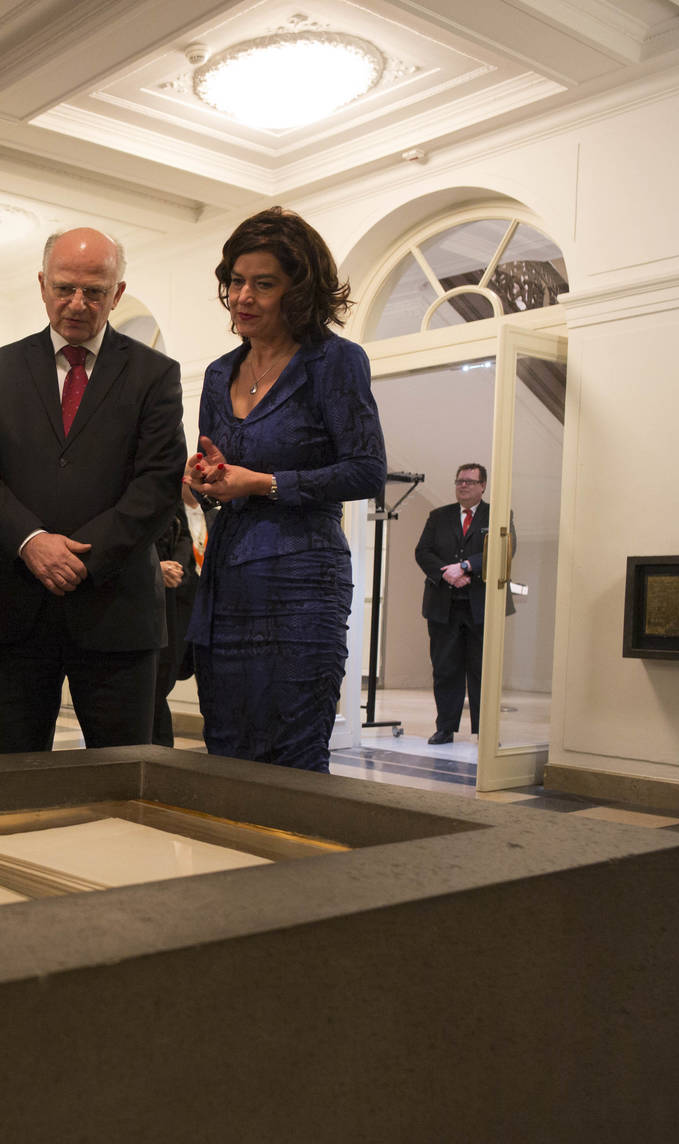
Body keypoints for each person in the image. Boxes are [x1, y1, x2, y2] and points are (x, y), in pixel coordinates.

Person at [0, 228, 184, 753]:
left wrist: (80, 557)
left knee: (122, 775)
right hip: (15, 607)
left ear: (117, 294)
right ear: (42, 285)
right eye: (64, 288)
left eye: (94, 291)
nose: (77, 303)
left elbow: (157, 483)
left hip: (115, 609)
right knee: (15, 776)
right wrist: (31, 541)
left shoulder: (154, 374)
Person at [184, 207, 387, 772]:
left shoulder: (334, 361)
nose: (242, 297)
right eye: (236, 282)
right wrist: (206, 480)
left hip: (303, 581)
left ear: (298, 291)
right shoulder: (219, 373)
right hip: (226, 581)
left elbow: (367, 470)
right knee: (226, 746)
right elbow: (218, 480)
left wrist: (264, 483)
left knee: (294, 753)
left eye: (263, 284)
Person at [415, 462, 505, 744]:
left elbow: (503, 549)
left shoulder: (498, 515)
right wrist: (448, 574)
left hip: (481, 606)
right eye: (459, 481)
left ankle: (483, 730)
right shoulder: (438, 516)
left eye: (469, 481)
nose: (463, 486)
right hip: (444, 606)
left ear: (483, 486)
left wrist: (465, 566)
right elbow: (423, 552)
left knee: (481, 670)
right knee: (445, 668)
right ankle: (445, 727)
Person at [152, 501, 198, 747]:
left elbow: (183, 535)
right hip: (134, 595)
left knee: (162, 682)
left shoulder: (168, 495)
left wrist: (176, 567)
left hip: (171, 598)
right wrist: (152, 568)